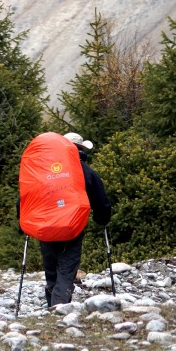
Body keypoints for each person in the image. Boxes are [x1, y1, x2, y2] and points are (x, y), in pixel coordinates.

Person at [38, 132, 112, 307]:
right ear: (79, 149)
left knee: (51, 269)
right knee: (66, 268)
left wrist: (24, 223)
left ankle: (53, 306)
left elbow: (27, 197)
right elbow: (101, 202)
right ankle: (59, 308)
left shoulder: (44, 171)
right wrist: (102, 219)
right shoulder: (85, 171)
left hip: (45, 226)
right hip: (72, 226)